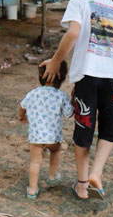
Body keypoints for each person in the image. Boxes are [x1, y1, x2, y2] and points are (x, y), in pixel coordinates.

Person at [40, 0, 113, 200]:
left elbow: (74, 33)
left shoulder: (79, 2)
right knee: (110, 127)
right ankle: (96, 173)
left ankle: (81, 185)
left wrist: (56, 61)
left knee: (84, 128)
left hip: (88, 75)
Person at [18, 60, 74, 199]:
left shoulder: (32, 93)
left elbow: (22, 106)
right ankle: (52, 176)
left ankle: (32, 189)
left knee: (35, 162)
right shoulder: (61, 96)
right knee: (55, 151)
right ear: (62, 78)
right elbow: (68, 113)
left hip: (36, 136)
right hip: (54, 136)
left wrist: (21, 116)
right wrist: (73, 100)